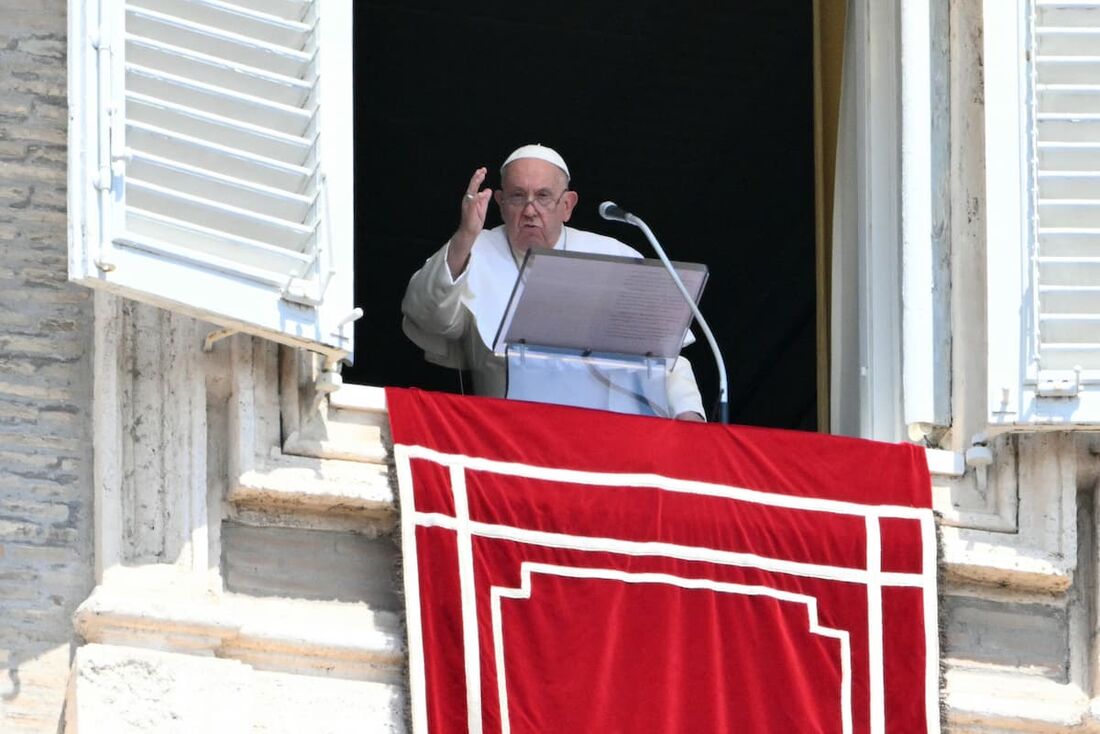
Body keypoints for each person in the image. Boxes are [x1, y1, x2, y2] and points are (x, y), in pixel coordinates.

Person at [401, 144, 705, 421]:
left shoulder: (613, 255)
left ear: (568, 205)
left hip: (612, 435)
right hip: (507, 431)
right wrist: (465, 236)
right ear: (500, 202)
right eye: (518, 196)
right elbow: (429, 317)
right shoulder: (475, 250)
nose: (530, 209)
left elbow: (663, 357)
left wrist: (687, 413)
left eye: (543, 196)